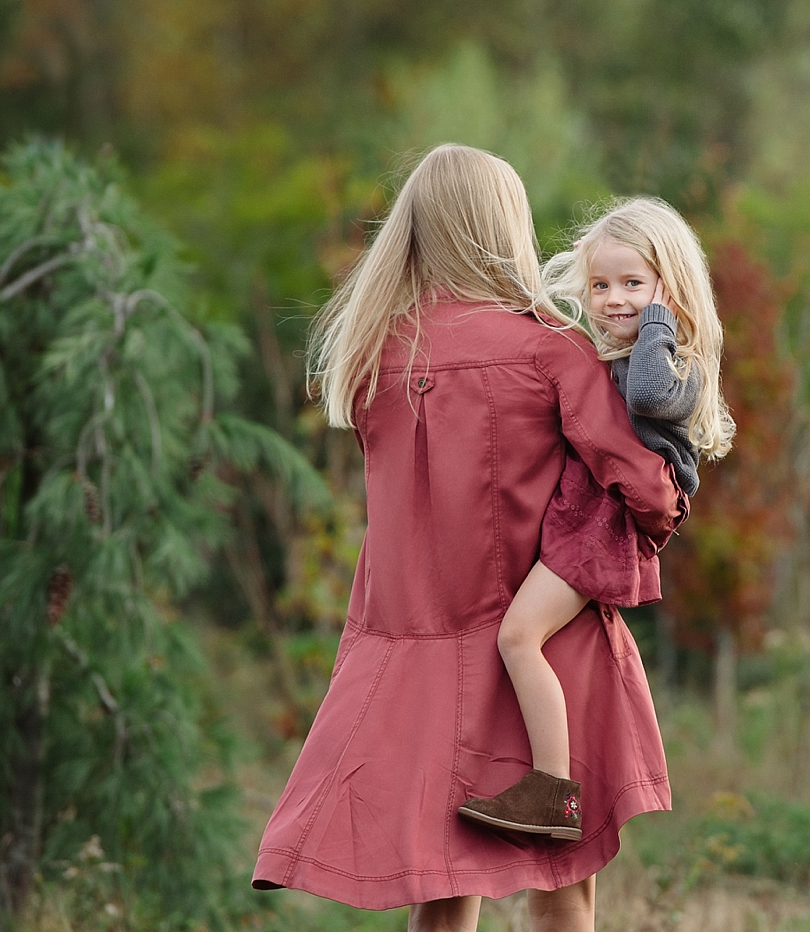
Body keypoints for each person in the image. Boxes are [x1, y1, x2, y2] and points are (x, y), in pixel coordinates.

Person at [251, 146, 685, 932]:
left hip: (415, 648)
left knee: (443, 891)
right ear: (503, 226)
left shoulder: (369, 356)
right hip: (546, 647)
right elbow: (646, 487)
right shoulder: (550, 348)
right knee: (564, 882)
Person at [456, 198, 733, 841]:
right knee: (523, 637)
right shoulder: (623, 350)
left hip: (601, 526)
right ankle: (549, 783)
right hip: (581, 515)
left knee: (517, 637)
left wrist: (660, 317)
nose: (614, 299)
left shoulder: (675, 359)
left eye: (634, 284)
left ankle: (553, 790)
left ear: (669, 285)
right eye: (601, 285)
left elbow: (647, 399)